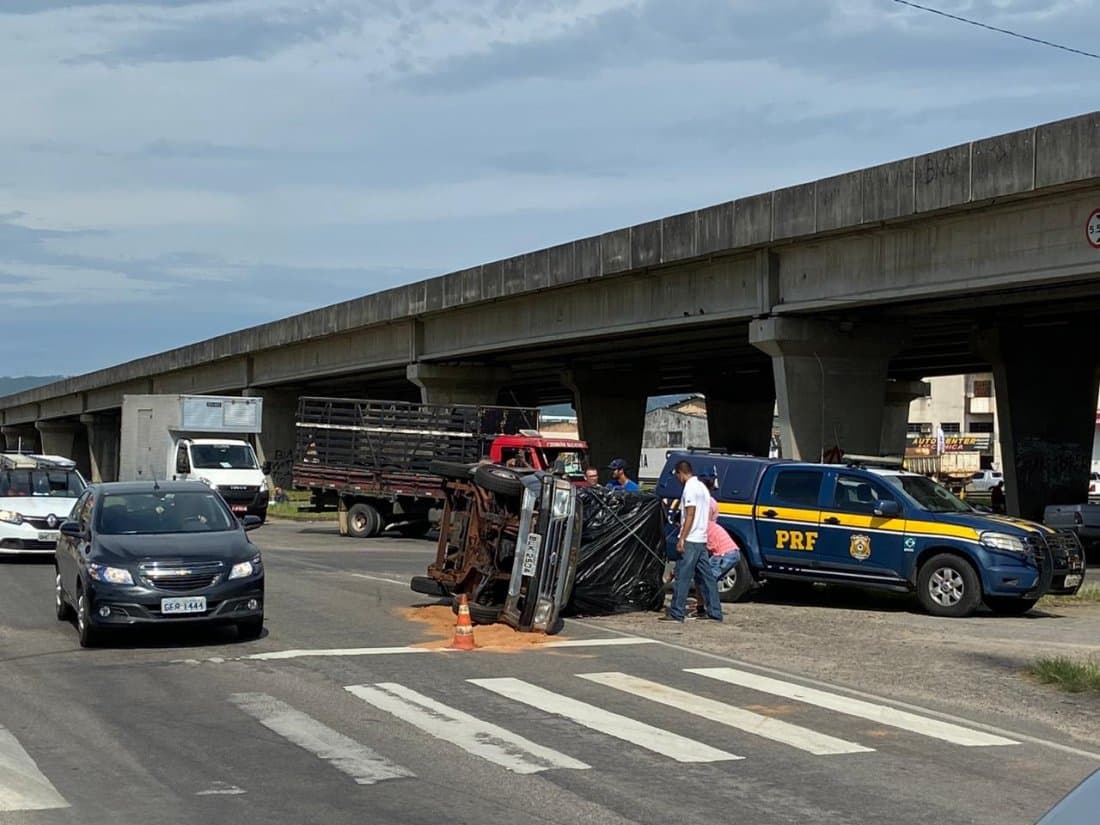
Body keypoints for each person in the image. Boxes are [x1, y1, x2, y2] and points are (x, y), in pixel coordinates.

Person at [661, 460, 722, 623]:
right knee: (707, 578)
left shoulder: (689, 488)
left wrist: (682, 538)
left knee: (683, 577)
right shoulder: (703, 488)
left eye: (677, 476)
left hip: (691, 539)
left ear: (680, 473)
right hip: (702, 538)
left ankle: (677, 613)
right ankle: (715, 611)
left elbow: (690, 513)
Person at [692, 486, 741, 619]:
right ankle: (706, 608)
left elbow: (706, 547)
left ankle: (712, 610)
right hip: (731, 552)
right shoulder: (712, 508)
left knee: (707, 580)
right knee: (705, 578)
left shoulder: (702, 528)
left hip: (724, 554)